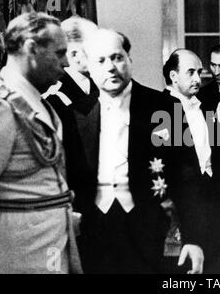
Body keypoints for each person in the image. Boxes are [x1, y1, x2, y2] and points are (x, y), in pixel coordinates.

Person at [0, 12, 81, 273]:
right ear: (31, 48)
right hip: (14, 257)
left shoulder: (39, 104)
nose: (65, 63)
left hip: (47, 250)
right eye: (59, 54)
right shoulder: (1, 108)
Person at [71, 29, 170, 273]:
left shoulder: (165, 107)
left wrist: (193, 235)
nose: (111, 68)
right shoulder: (74, 113)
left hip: (146, 222)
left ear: (129, 60)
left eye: (117, 57)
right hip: (92, 225)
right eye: (101, 61)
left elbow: (186, 171)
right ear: (89, 69)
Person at [156, 49, 220, 273]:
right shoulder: (160, 108)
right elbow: (160, 165)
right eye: (191, 72)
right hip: (180, 209)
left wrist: (219, 126)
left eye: (199, 72)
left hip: (213, 204)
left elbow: (217, 156)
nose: (198, 78)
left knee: (214, 269)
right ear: (173, 76)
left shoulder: (206, 104)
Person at [43, 16, 99, 213]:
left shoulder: (99, 87)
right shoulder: (54, 96)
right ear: (74, 54)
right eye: (96, 49)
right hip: (72, 200)